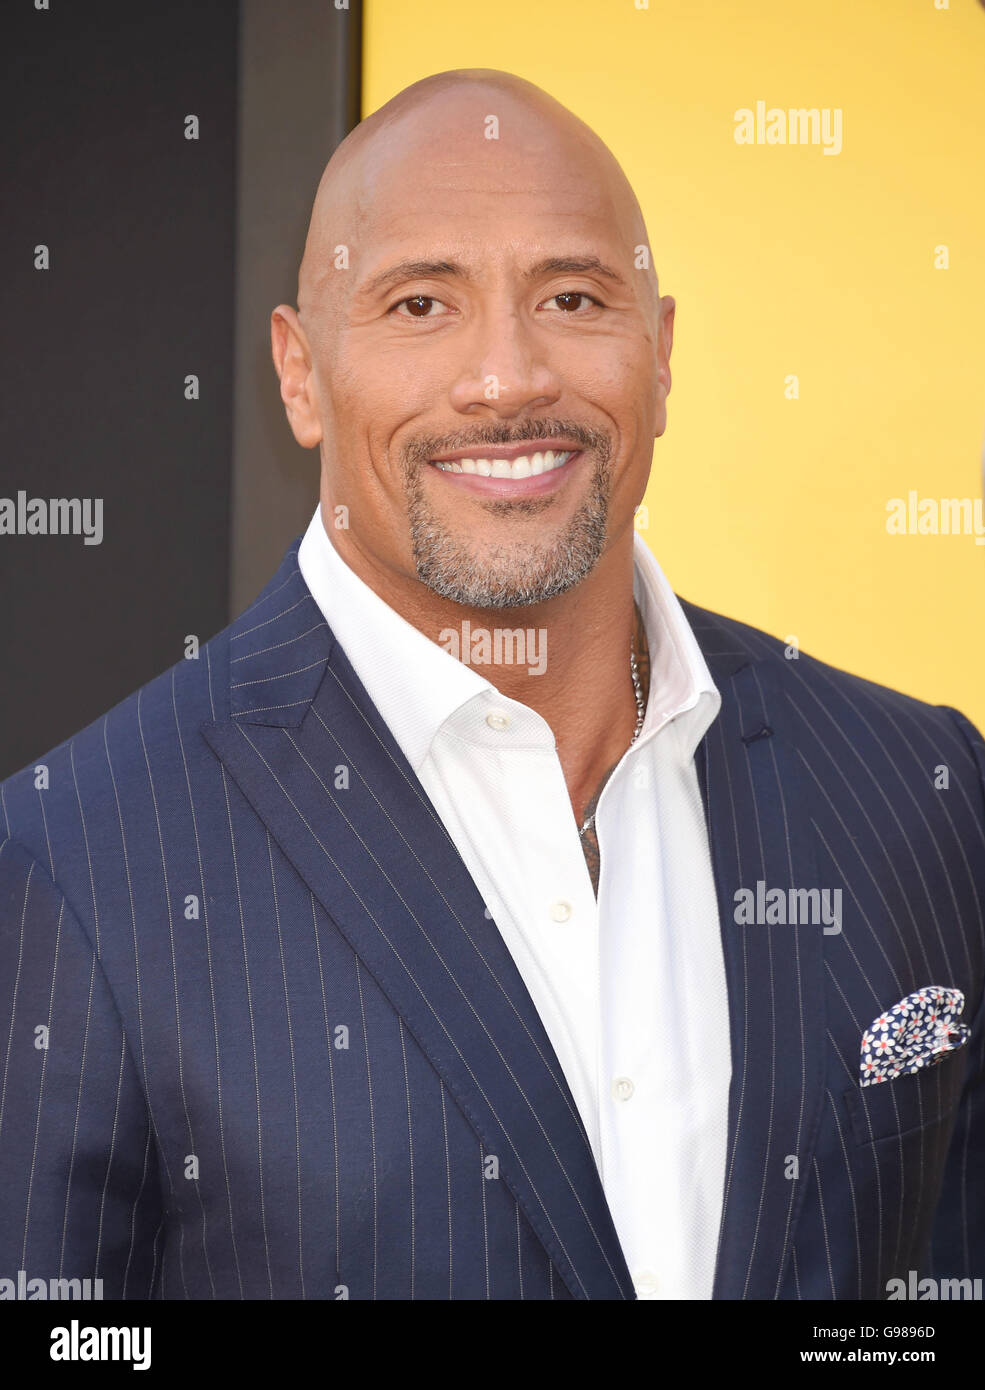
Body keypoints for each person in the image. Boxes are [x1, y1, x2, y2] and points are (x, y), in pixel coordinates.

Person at [0, 69, 981, 1302]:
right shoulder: (73, 864)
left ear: (661, 353)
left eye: (571, 296)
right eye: (421, 304)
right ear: (300, 376)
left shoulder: (919, 791)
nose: (507, 377)